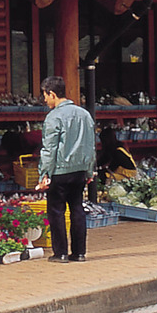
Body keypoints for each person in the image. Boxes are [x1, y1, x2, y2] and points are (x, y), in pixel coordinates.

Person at [37, 75, 95, 263]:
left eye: (45, 95)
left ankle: (60, 253)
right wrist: (89, 171)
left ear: (52, 94)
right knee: (77, 209)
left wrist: (44, 173)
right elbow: (91, 145)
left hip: (60, 171)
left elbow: (49, 148)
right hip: (80, 171)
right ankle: (79, 253)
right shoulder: (84, 114)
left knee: (56, 211)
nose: (44, 100)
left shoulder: (53, 117)